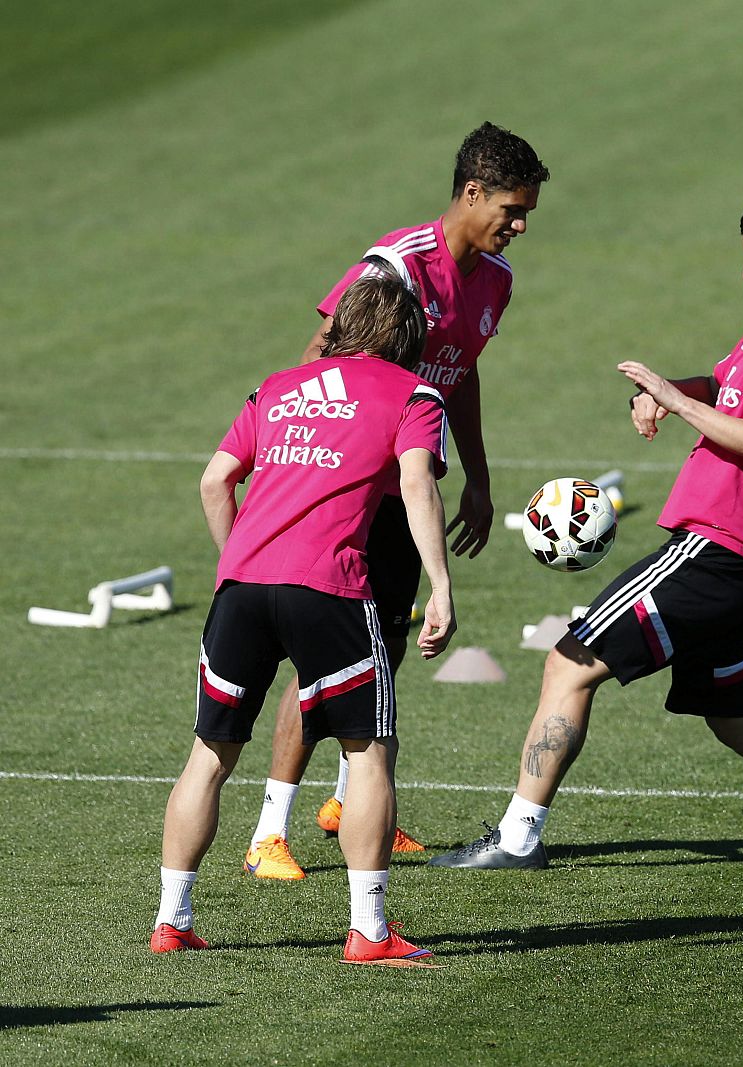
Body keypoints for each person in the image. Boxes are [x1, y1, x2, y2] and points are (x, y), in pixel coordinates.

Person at [427, 193, 743, 873]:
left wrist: (677, 403)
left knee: (568, 662)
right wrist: (671, 391)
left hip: (715, 549)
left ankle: (517, 836)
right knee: (737, 719)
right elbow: (723, 383)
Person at [242, 122, 549, 879]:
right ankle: (266, 832)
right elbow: (321, 355)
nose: (517, 226)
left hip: (410, 486)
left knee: (384, 645)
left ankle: (350, 802)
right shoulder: (396, 264)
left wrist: (475, 475)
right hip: (352, 489)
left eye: (526, 215)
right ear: (469, 192)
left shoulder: (497, 279)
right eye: (510, 209)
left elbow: (462, 371)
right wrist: (306, 466)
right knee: (324, 655)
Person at [151, 275, 457, 964]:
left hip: (243, 587)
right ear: (408, 339)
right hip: (331, 589)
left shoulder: (279, 385)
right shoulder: (415, 396)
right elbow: (416, 484)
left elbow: (213, 480)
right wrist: (439, 585)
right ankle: (370, 931)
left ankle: (172, 919)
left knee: (209, 754)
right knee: (368, 750)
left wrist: (237, 563)